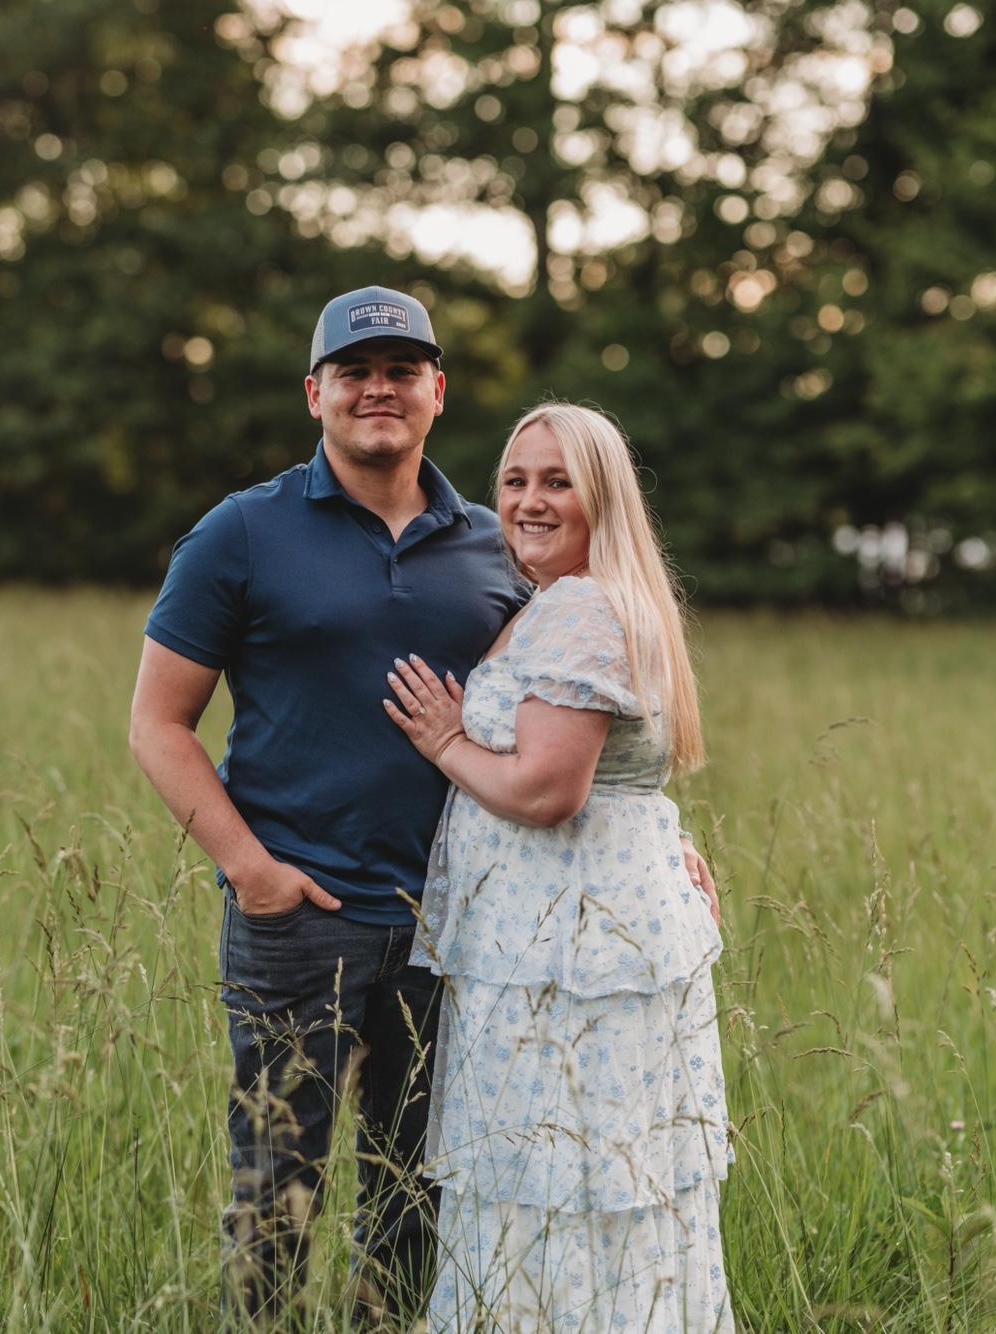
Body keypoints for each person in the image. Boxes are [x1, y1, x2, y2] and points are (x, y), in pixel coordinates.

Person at [129, 286, 718, 1326]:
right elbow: (156, 723)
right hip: (301, 916)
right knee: (276, 1189)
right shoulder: (242, 532)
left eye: (401, 370)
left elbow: (579, 711)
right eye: (353, 372)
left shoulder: (502, 546)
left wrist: (651, 839)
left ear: (436, 391)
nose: (378, 389)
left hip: (458, 934)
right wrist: (253, 872)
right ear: (314, 393)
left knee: (419, 1191)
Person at [384, 402, 734, 1331]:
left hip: (565, 958)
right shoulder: (589, 599)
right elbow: (623, 777)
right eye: (515, 480)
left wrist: (447, 741)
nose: (529, 501)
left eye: (557, 481)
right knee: (595, 1185)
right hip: (584, 938)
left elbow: (548, 791)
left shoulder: (580, 607)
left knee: (557, 1182)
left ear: (603, 496)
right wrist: (667, 840)